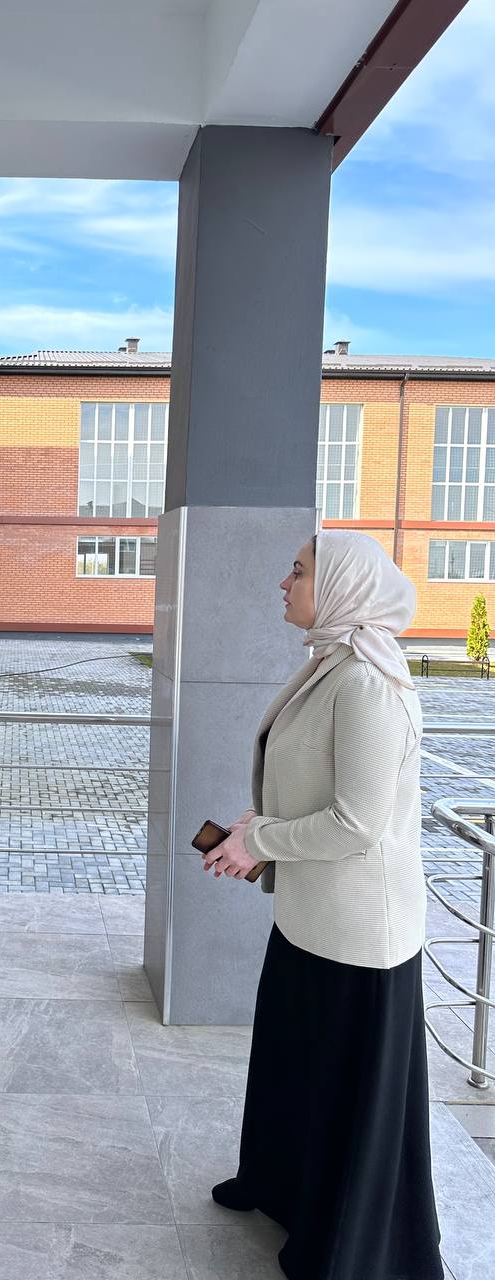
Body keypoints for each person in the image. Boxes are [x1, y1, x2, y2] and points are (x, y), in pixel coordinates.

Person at [200, 529, 444, 1280]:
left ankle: (339, 1242)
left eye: (300, 571)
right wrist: (257, 827)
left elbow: (357, 824)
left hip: (358, 932)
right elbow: (312, 782)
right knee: (294, 1067)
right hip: (309, 918)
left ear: (342, 588)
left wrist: (260, 840)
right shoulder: (330, 663)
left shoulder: (368, 681)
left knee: (338, 1087)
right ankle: (280, 1185)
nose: (285, 582)